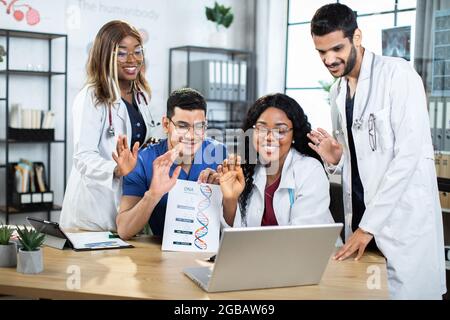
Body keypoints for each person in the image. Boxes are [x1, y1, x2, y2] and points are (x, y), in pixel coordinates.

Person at [307, 3, 446, 299]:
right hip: (360, 226)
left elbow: (407, 157)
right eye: (321, 52)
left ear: (356, 37)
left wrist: (369, 226)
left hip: (400, 226)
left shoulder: (398, 76)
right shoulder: (337, 92)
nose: (329, 59)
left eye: (336, 49)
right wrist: (337, 159)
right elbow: (361, 161)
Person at [60, 20, 161, 231]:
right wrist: (116, 169)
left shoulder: (141, 96)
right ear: (105, 56)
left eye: (138, 51)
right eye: (122, 53)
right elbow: (83, 156)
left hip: (128, 203)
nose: (132, 59)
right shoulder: (92, 97)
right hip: (93, 210)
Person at [211, 93, 335, 228]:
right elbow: (235, 235)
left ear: (294, 134)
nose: (269, 137)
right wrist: (230, 199)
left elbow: (303, 236)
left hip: (309, 248)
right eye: (262, 128)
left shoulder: (310, 170)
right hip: (256, 249)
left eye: (280, 130)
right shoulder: (247, 168)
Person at [117, 88, 227, 240]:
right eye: (182, 126)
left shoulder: (219, 154)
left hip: (208, 253)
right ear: (166, 124)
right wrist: (153, 195)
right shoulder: (143, 161)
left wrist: (225, 195)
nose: (191, 135)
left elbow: (235, 220)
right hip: (162, 254)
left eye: (199, 127)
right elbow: (124, 230)